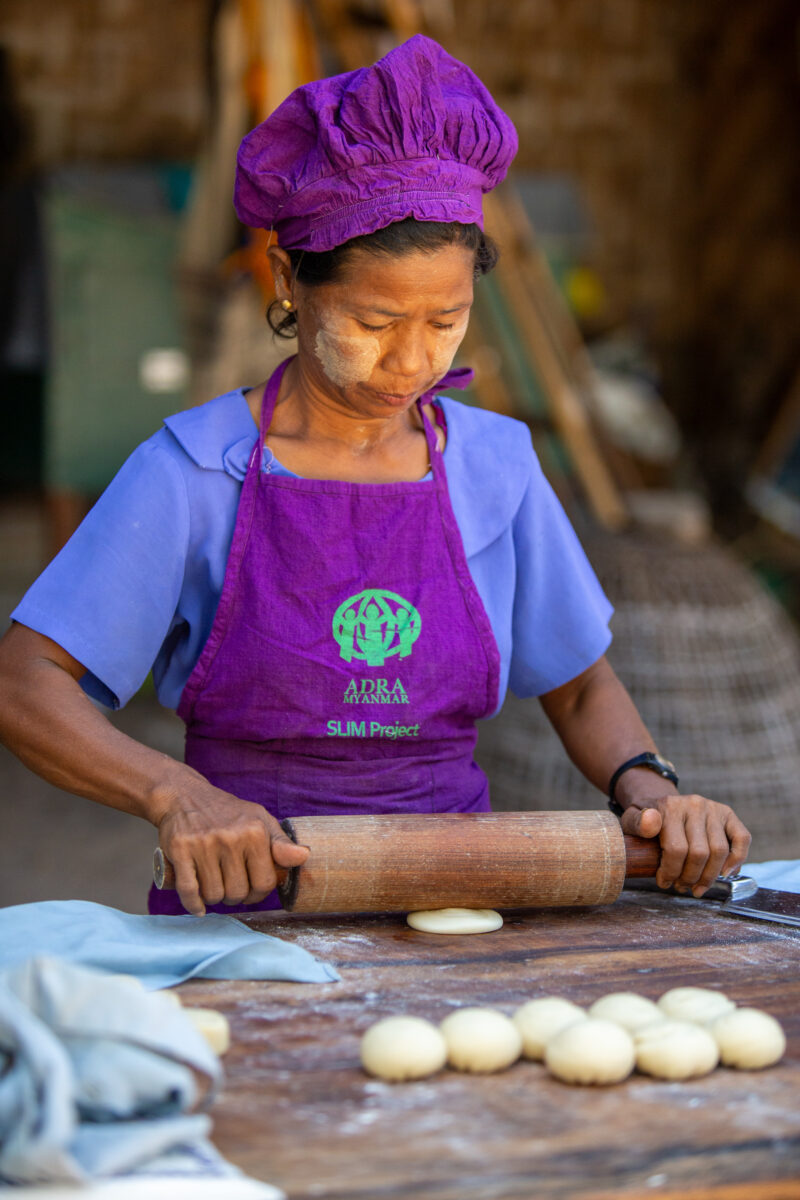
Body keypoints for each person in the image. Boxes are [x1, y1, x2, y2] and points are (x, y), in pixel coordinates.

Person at [0, 36, 750, 917]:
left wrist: (650, 788)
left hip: (457, 899)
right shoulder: (195, 471)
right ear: (289, 279)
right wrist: (179, 796)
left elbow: (580, 684)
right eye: (375, 321)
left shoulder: (495, 466)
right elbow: (26, 681)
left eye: (446, 321)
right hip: (250, 905)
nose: (413, 360)